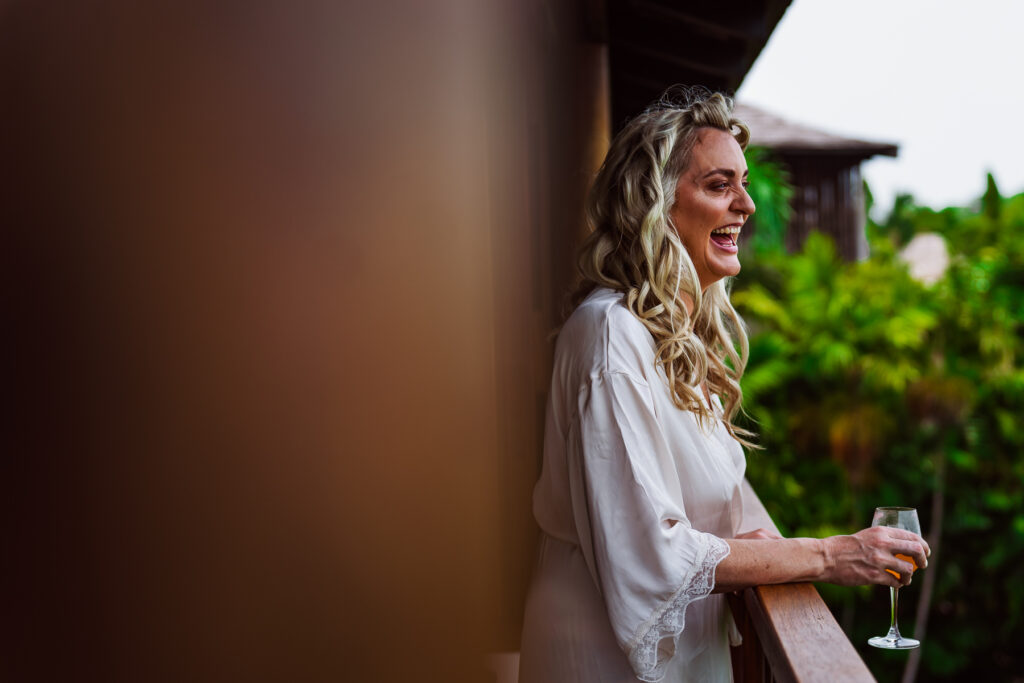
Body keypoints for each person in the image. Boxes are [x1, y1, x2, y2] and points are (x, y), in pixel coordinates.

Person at [517, 88, 930, 683]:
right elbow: (652, 550)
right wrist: (827, 553)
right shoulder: (613, 335)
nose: (747, 204)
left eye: (743, 182)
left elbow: (667, 505)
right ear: (654, 205)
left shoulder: (670, 334)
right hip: (602, 657)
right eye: (718, 185)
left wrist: (744, 543)